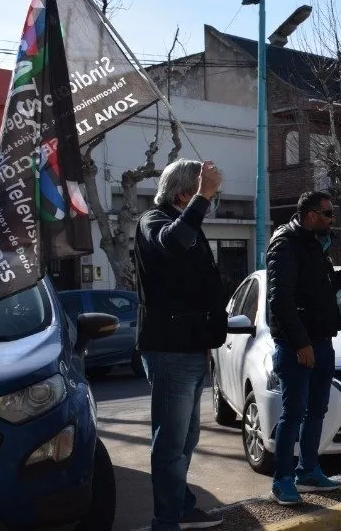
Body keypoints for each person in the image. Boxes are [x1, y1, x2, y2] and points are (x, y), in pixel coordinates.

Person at [135, 159, 227, 530]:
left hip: (189, 345)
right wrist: (204, 196)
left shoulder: (184, 221)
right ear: (184, 193)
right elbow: (173, 243)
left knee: (186, 436)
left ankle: (181, 505)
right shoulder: (153, 221)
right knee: (171, 441)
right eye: (206, 192)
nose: (212, 200)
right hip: (169, 348)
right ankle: (167, 519)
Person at [265, 191, 341, 505]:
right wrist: (301, 343)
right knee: (292, 414)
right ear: (309, 215)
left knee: (316, 411)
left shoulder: (313, 245)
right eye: (328, 213)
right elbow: (280, 301)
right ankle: (282, 479)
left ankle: (309, 470)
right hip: (298, 347)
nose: (332, 219)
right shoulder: (286, 244)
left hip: (322, 342)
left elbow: (320, 288)